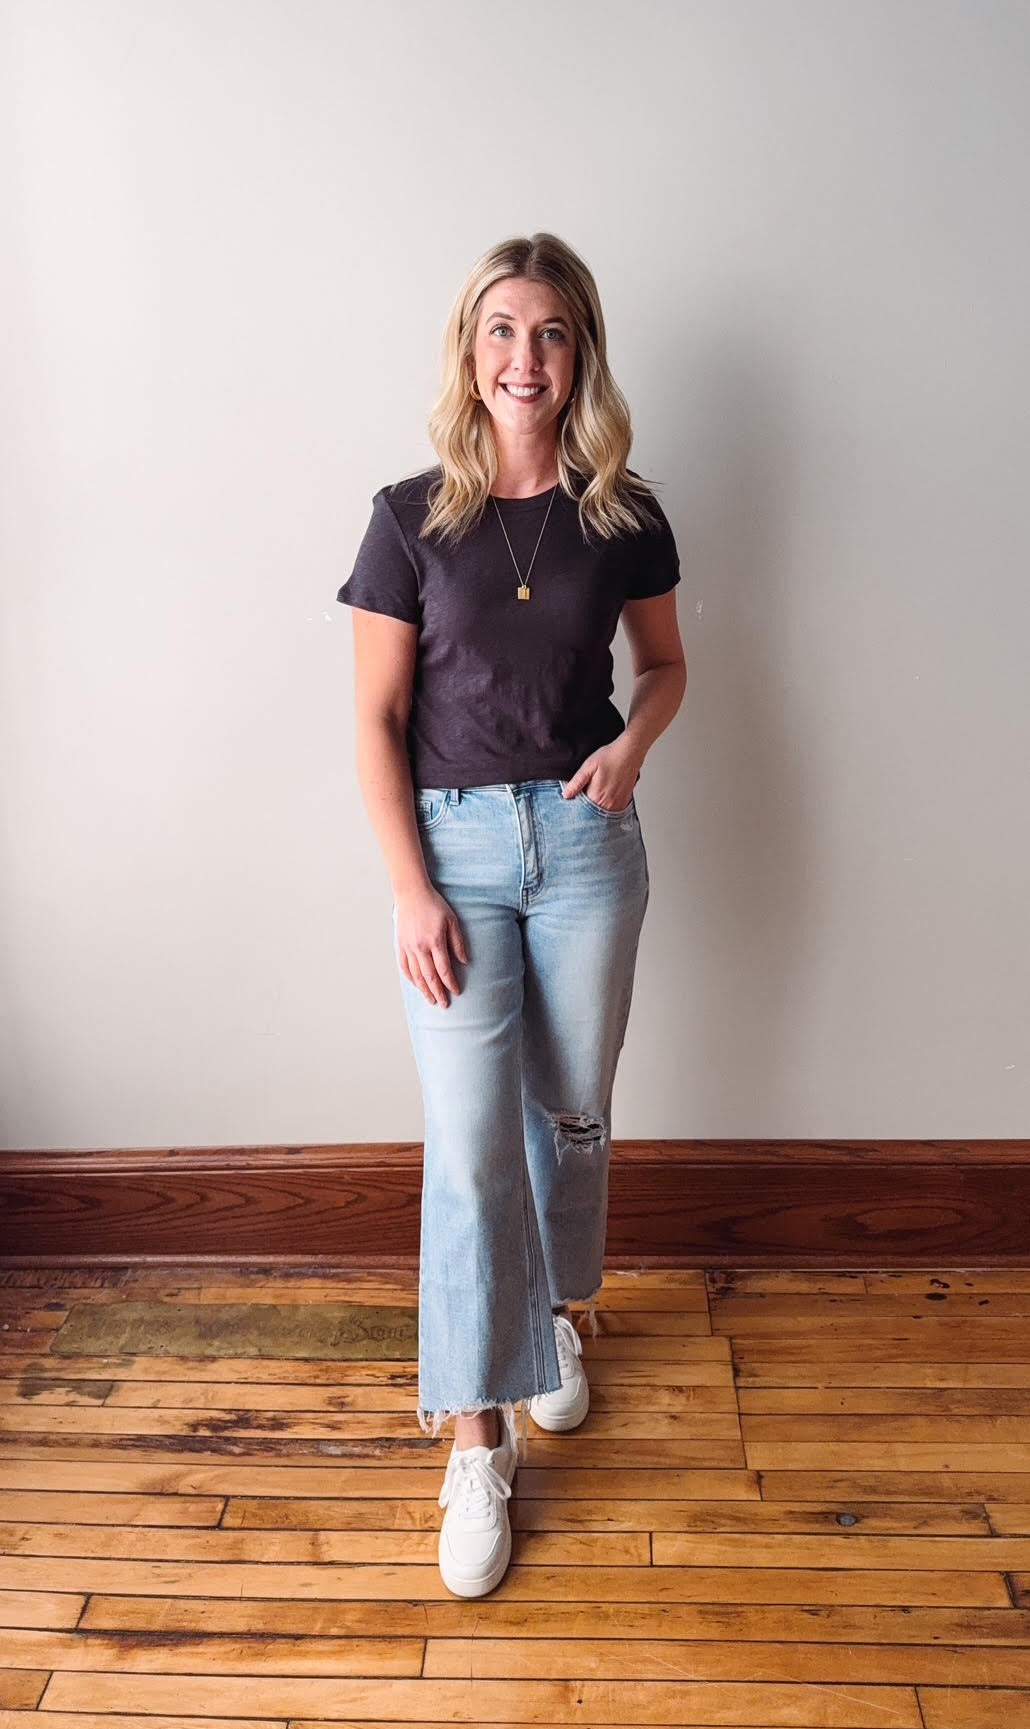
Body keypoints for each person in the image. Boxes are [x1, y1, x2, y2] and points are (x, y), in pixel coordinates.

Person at [337, 231, 686, 1598]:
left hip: (590, 844)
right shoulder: (407, 514)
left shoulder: (624, 513)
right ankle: (475, 1433)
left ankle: (549, 1317)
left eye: (546, 333)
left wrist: (634, 747)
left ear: (578, 351)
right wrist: (410, 889)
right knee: (470, 1144)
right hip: (456, 855)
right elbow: (370, 720)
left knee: (571, 1113)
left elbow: (662, 666)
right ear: (467, 351)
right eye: (498, 330)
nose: (521, 358)